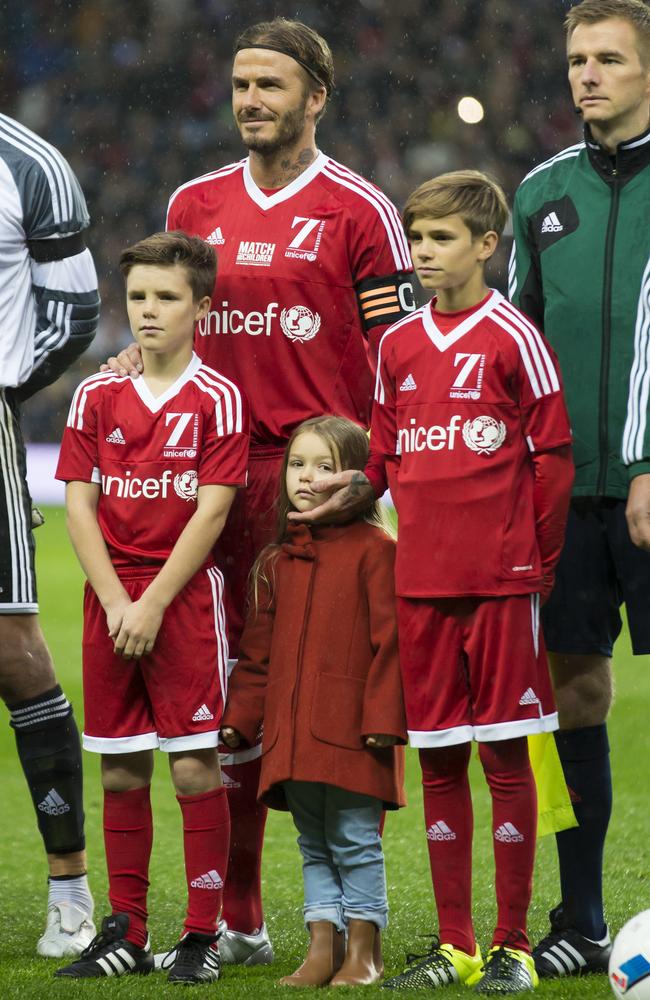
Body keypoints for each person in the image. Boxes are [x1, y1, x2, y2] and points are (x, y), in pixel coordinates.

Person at [107, 17, 415, 963]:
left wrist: (374, 478)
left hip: (313, 485)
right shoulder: (194, 203)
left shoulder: (360, 210)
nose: (250, 100)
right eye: (242, 84)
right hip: (209, 479)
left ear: (316, 97)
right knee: (224, 700)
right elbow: (170, 321)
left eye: (270, 86)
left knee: (312, 707)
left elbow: (395, 359)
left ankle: (347, 919)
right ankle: (238, 917)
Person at [291, 171, 575, 994]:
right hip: (419, 586)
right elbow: (381, 461)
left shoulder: (512, 337)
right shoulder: (398, 347)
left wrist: (539, 560)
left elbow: (550, 457)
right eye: (417, 239)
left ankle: (513, 946)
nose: (423, 253)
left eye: (442, 239)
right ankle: (455, 946)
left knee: (507, 763)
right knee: (442, 762)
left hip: (497, 585)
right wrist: (345, 493)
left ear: (487, 246)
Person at [53, 232, 250, 984]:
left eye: (167, 297)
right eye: (138, 295)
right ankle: (127, 932)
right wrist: (115, 601)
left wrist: (153, 602)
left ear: (202, 307)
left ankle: (201, 934)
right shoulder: (96, 393)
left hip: (184, 602)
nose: (149, 310)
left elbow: (212, 512)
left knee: (196, 767)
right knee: (120, 772)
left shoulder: (218, 398)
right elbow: (78, 504)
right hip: (112, 604)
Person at [509, 0, 650, 978]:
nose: (585, 76)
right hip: (565, 495)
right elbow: (511, 341)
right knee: (568, 695)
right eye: (574, 59)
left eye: (606, 58)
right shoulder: (540, 191)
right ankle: (579, 913)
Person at [221, 415, 406, 988]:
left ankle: (365, 951)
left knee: (353, 839)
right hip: (289, 735)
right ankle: (322, 948)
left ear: (356, 478)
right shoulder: (275, 561)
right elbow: (257, 658)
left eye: (325, 467)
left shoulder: (378, 550)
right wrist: (239, 723)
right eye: (297, 464)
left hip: (354, 732)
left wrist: (382, 721)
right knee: (312, 843)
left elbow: (392, 645)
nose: (307, 477)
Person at [0, 112, 100, 957]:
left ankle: (69, 888)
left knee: (14, 650)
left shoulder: (27, 162)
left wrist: (3, 394)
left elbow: (73, 313)